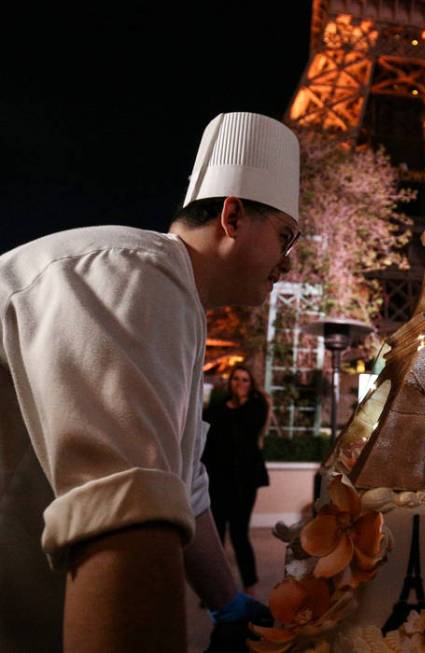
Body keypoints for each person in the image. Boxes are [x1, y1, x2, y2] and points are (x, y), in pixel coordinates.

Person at [0, 112, 301, 651]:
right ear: (233, 216)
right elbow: (129, 513)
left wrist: (226, 601)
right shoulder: (139, 272)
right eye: (286, 237)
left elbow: (183, 485)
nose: (287, 264)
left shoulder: (168, 294)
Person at [202, 364, 271, 596]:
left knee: (240, 534)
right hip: (218, 479)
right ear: (229, 382)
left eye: (245, 380)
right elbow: (207, 444)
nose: (239, 384)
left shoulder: (256, 408)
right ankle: (216, 586)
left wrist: (245, 402)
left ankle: (250, 587)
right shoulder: (216, 409)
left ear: (251, 385)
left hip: (245, 481)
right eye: (236, 379)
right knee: (217, 534)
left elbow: (250, 431)